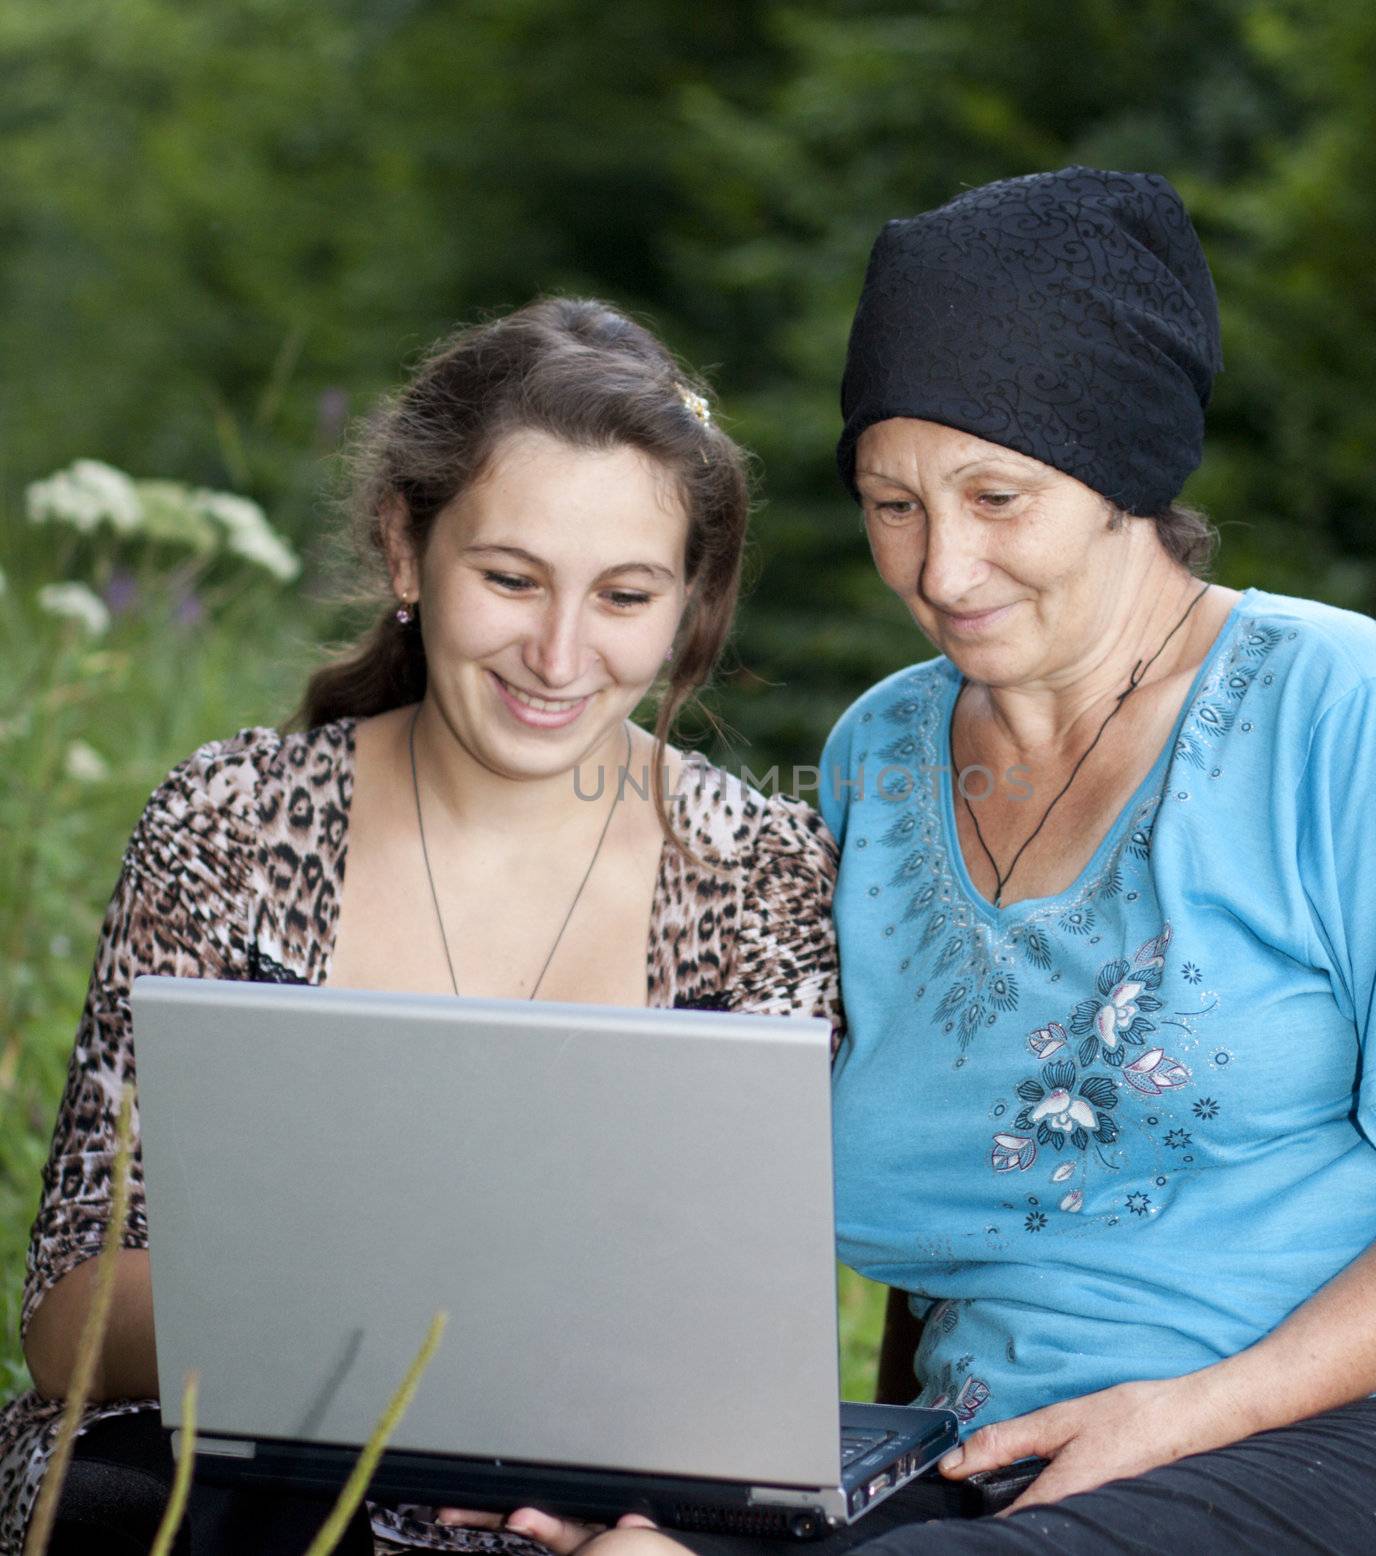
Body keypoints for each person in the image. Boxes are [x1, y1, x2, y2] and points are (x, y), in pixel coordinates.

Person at [535, 169, 1376, 1555]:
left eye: (999, 496)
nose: (943, 565)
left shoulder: (1340, 710)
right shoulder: (876, 757)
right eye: (892, 502)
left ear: (1128, 474)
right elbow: (942, 1217)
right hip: (1011, 1463)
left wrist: (1207, 1408)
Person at [0, 296, 840, 1555]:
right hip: (237, 1482)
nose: (560, 653)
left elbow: (736, 1350)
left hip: (610, 1503)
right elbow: (70, 1326)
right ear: (407, 550)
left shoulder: (760, 869)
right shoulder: (228, 822)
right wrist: (407, 1332)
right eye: (509, 578)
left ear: (687, 606)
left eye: (623, 595)